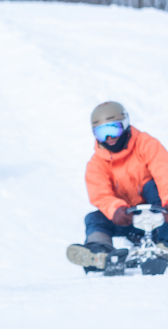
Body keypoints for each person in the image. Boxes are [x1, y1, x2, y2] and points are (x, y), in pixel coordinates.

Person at [67, 101, 168, 273]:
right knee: (94, 218)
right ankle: (100, 253)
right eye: (101, 133)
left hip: (159, 217)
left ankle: (164, 245)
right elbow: (100, 194)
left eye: (113, 129)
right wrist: (116, 210)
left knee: (150, 186)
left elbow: (164, 171)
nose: (109, 138)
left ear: (125, 125)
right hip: (129, 219)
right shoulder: (96, 163)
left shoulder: (146, 144)